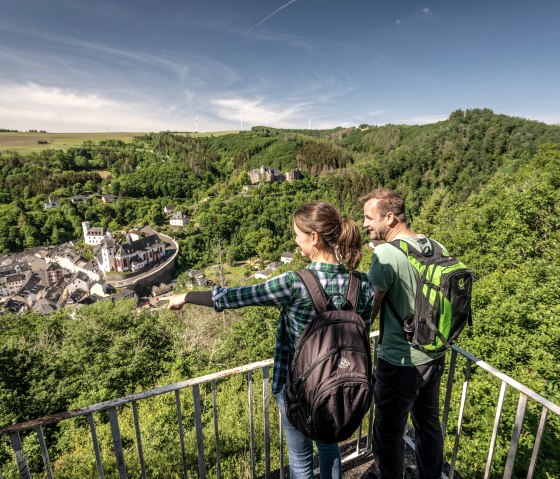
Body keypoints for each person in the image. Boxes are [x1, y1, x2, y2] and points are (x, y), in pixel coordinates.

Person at [165, 201, 374, 479]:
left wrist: (188, 296)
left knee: (300, 459)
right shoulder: (363, 284)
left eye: (298, 235)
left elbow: (235, 297)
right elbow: (361, 332)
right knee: (328, 447)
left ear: (313, 238)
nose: (296, 242)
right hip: (340, 386)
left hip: (296, 388)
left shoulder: (295, 282)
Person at [361, 189, 446, 479]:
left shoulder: (386, 253)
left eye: (369, 217)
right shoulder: (435, 246)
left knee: (388, 431)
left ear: (390, 217)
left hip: (399, 359)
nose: (365, 224)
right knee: (429, 425)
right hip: (433, 354)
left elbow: (370, 309)